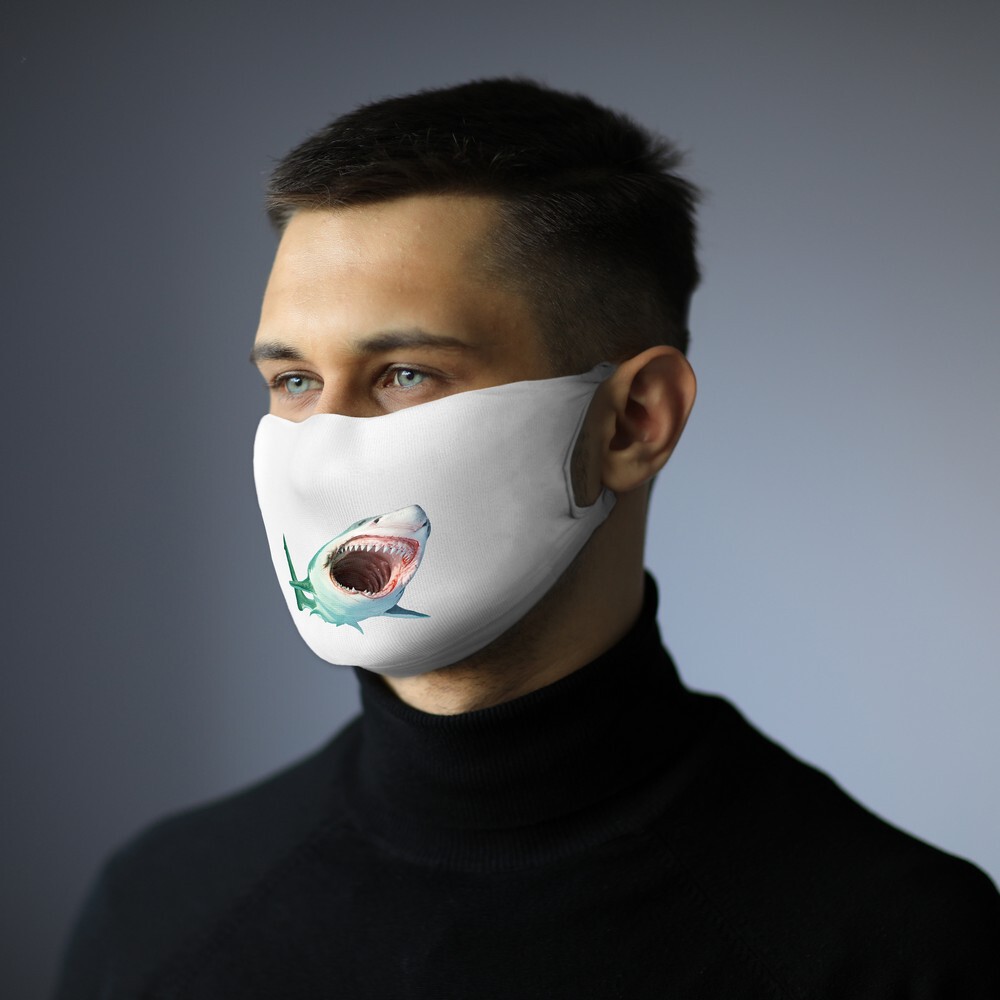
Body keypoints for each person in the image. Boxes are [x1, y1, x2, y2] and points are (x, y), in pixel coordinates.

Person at [54, 78, 1000, 999]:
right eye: (294, 382)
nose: (320, 460)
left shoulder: (898, 951)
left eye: (406, 373)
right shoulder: (154, 913)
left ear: (633, 421)